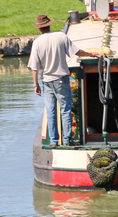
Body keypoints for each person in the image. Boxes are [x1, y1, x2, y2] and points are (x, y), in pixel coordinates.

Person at [28, 14, 92, 147]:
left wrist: (36, 85)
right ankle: (68, 139)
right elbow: (76, 52)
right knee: (65, 109)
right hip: (61, 79)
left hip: (46, 81)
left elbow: (34, 67)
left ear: (39, 28)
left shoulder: (37, 43)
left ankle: (53, 141)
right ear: (49, 25)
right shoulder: (61, 37)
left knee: (51, 111)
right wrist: (91, 54)